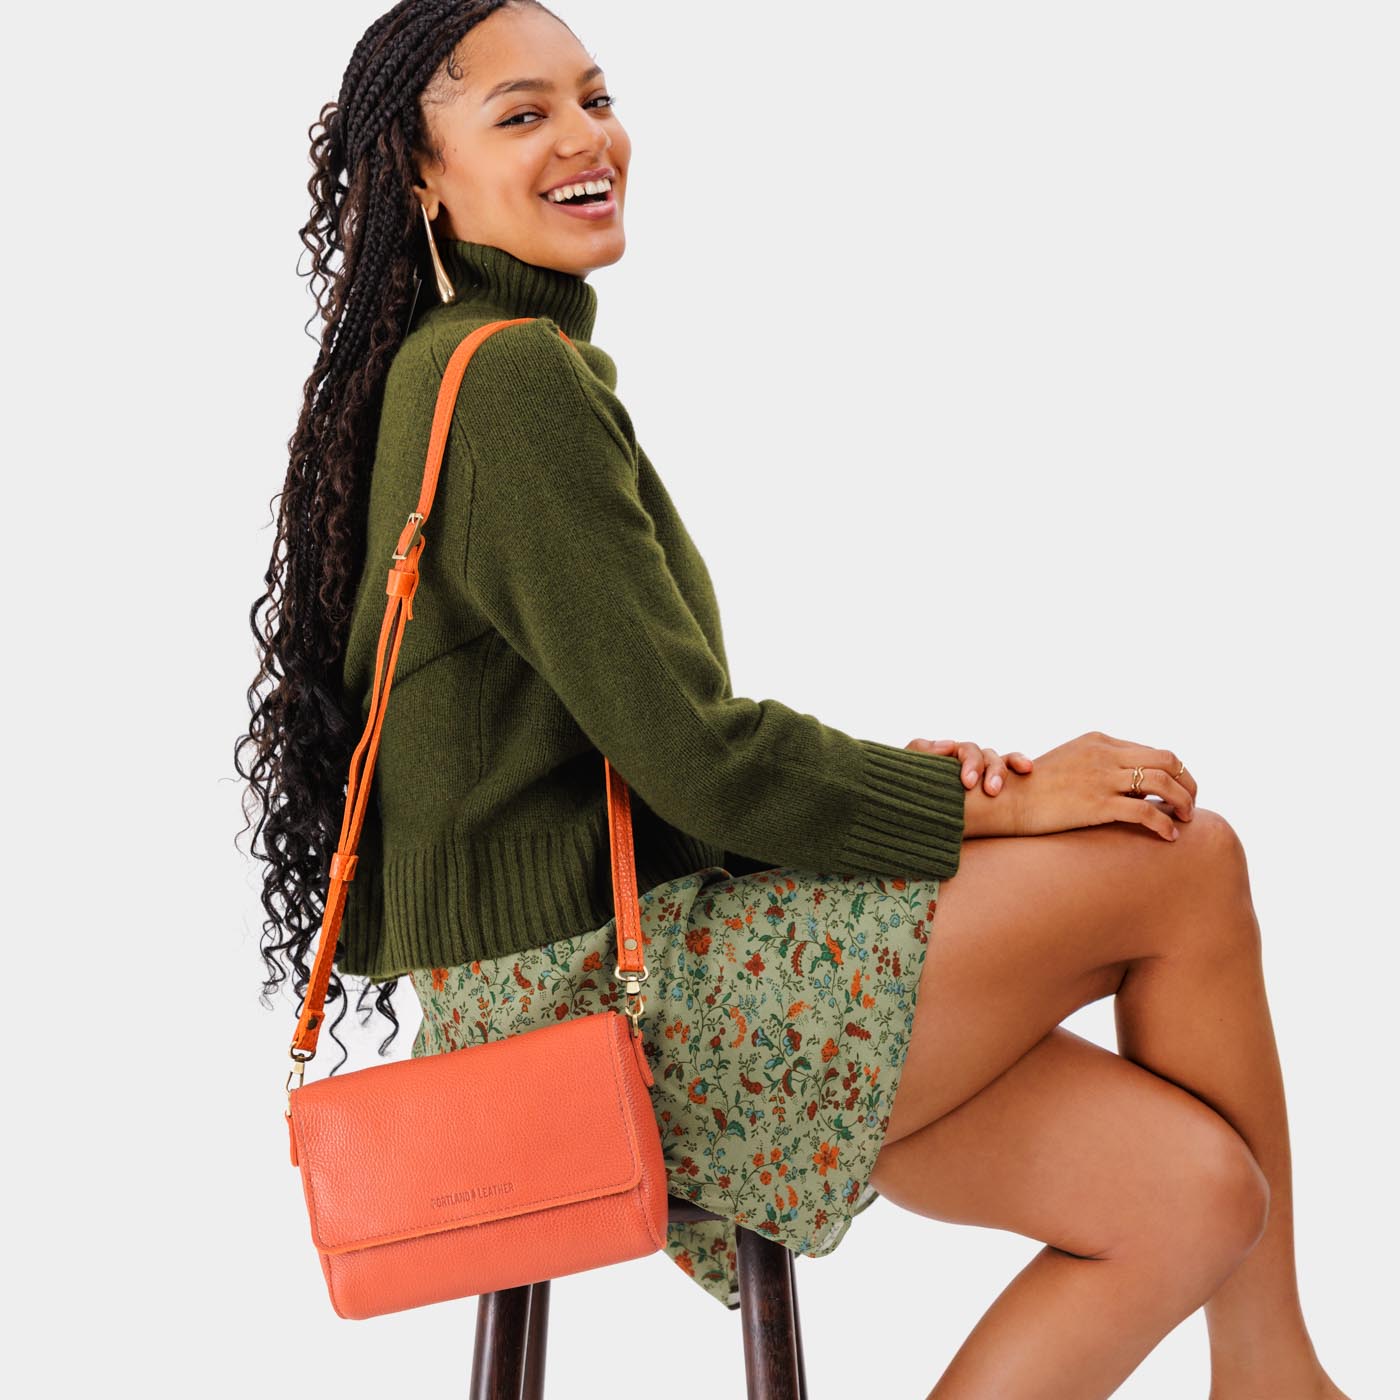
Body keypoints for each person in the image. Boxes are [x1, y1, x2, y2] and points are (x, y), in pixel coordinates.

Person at [237, 2, 1351, 1394]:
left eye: (596, 98)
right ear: (422, 173)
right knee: (1184, 859)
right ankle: (1274, 1374)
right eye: (523, 115)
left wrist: (902, 799)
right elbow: (698, 757)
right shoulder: (509, 382)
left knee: (1190, 1194)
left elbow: (629, 759)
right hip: (608, 1013)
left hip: (565, 1000)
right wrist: (982, 805)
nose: (586, 138)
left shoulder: (461, 371)